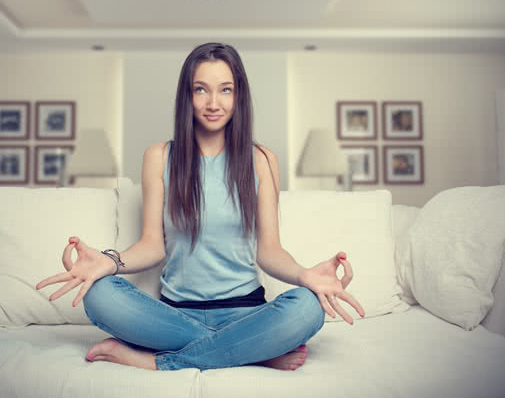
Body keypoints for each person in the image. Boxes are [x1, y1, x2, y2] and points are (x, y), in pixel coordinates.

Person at [36, 42, 365, 372]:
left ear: (239, 96)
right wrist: (108, 262)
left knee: (308, 306)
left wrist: (305, 275)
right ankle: (250, 349)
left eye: (225, 90)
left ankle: (158, 360)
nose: (213, 103)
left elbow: (270, 251)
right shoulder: (159, 156)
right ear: (187, 96)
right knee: (98, 294)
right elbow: (152, 246)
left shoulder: (262, 160)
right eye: (200, 90)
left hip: (246, 311)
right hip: (175, 317)